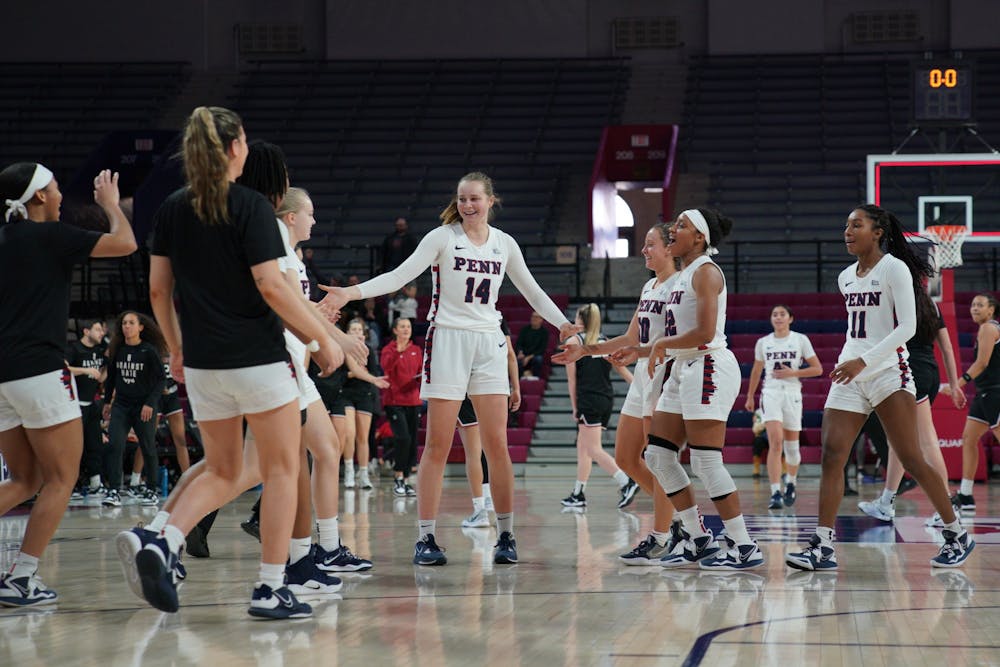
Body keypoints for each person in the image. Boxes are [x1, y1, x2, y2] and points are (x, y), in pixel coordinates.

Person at [119, 106, 341, 619]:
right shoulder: (251, 207)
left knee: (221, 469)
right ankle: (269, 587)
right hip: (258, 359)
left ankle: (164, 539)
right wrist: (321, 339)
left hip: (201, 365)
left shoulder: (171, 208)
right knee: (282, 468)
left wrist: (173, 347)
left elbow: (157, 289)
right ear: (236, 147)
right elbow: (270, 286)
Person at [319, 171, 577, 566]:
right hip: (448, 341)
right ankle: (426, 538)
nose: (468, 206)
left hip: (488, 342)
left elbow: (533, 291)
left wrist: (564, 325)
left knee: (497, 445)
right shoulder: (442, 237)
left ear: (491, 201)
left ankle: (505, 534)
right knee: (438, 445)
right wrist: (350, 292)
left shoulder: (504, 244)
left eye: (475, 199)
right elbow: (399, 276)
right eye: (462, 199)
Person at [785, 204, 974, 571]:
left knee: (912, 457)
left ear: (877, 232)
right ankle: (822, 544)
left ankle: (956, 533)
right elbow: (861, 330)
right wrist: (852, 362)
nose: (847, 231)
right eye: (845, 225)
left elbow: (905, 328)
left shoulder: (895, 268)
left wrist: (864, 361)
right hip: (852, 372)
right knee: (831, 454)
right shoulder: (845, 277)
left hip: (889, 371)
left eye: (857, 225)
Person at [0, 163, 136, 606]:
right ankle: (21, 577)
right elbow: (126, 243)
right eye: (56, 188)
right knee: (62, 476)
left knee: (24, 479)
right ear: (38, 196)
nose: (60, 196)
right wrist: (111, 207)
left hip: (2, 376)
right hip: (38, 370)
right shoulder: (49, 235)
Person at [554, 223, 677, 565]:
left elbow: (676, 339)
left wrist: (641, 353)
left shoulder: (681, 286)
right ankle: (682, 515)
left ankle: (665, 534)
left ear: (669, 248)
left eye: (650, 244)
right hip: (643, 377)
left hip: (665, 377)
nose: (644, 250)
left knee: (660, 461)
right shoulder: (649, 286)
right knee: (625, 458)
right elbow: (628, 337)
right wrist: (586, 351)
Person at [858, 294, 965, 524]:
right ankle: (886, 502)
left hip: (910, 372)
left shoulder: (896, 302)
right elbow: (946, 347)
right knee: (897, 440)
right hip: (930, 372)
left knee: (926, 441)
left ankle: (947, 505)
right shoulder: (931, 304)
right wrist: (954, 384)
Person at [743, 304, 823, 510]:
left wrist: (793, 373)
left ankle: (791, 483)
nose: (778, 317)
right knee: (775, 443)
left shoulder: (800, 340)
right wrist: (750, 395)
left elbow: (817, 369)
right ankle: (775, 492)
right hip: (770, 393)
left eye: (782, 314)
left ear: (790, 318)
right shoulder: (763, 342)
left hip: (793, 394)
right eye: (774, 314)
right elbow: (756, 370)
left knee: (792, 448)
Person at [559, 304, 635, 508]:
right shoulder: (604, 342)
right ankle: (578, 493)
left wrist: (575, 407)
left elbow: (572, 380)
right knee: (583, 447)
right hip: (605, 400)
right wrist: (641, 387)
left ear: (580, 320)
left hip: (589, 400)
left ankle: (626, 481)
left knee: (592, 449)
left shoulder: (574, 341)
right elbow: (623, 369)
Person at [102, 311, 167, 507]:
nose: (126, 326)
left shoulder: (148, 351)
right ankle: (114, 490)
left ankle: (151, 489)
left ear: (140, 327)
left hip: (143, 406)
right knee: (115, 445)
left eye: (131, 323)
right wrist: (107, 402)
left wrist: (150, 403)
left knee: (147, 446)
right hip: (121, 405)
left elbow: (161, 379)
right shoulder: (118, 349)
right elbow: (111, 377)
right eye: (124, 323)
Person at [461, 317, 519, 527]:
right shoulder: (497, 318)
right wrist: (516, 388)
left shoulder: (462, 315)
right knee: (494, 450)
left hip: (468, 386)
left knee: (473, 452)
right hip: (494, 387)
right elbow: (510, 356)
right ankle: (489, 501)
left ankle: (480, 510)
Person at [945, 293, 1000, 514]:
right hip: (985, 393)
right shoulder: (984, 328)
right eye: (973, 305)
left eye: (980, 305)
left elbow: (982, 362)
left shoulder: (989, 328)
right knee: (969, 439)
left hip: (996, 392)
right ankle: (966, 495)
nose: (975, 308)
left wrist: (958, 383)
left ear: (991, 310)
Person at [340, 318, 389, 490]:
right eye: (352, 330)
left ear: (363, 333)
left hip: (365, 394)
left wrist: (361, 373)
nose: (356, 333)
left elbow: (375, 373)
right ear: (347, 333)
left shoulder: (369, 352)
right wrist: (357, 373)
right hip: (345, 394)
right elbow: (341, 375)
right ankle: (348, 471)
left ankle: (364, 473)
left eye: (358, 330)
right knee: (349, 434)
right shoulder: (342, 350)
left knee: (363, 437)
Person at [381, 317, 423, 497]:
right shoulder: (388, 350)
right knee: (403, 438)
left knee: (412, 441)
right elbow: (385, 367)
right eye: (403, 327)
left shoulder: (416, 350)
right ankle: (398, 476)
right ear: (395, 330)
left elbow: (421, 371)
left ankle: (405, 480)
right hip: (394, 402)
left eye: (408, 326)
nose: (406, 329)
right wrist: (398, 352)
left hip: (414, 401)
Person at [66, 319, 108, 497]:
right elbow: (64, 370)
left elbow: (100, 378)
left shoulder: (99, 351)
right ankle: (69, 485)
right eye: (98, 330)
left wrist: (107, 366)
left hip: (92, 405)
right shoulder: (74, 349)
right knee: (72, 448)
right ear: (86, 331)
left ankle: (95, 483)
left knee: (94, 444)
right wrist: (85, 371)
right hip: (75, 406)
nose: (101, 333)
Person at [157, 355, 191, 473]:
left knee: (181, 441)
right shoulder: (151, 345)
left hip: (172, 396)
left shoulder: (176, 348)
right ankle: (137, 480)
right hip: (155, 396)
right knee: (146, 441)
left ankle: (187, 477)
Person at [515, 312, 549, 379]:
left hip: (535, 355)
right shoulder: (524, 330)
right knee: (516, 360)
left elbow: (542, 349)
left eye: (536, 317)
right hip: (524, 354)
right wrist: (520, 352)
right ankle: (519, 379)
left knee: (538, 359)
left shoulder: (544, 332)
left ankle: (535, 378)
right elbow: (519, 343)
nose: (534, 319)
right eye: (533, 316)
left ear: (541, 320)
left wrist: (529, 357)